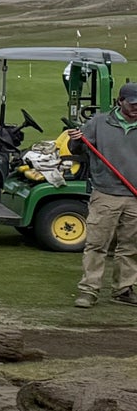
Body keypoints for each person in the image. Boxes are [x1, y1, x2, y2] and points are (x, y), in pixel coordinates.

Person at [72, 81, 137, 307]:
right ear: (120, 102)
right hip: (106, 193)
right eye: (132, 103)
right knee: (97, 244)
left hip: (135, 197)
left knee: (131, 247)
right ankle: (89, 291)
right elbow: (78, 150)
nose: (136, 108)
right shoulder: (99, 123)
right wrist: (75, 139)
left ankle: (123, 289)